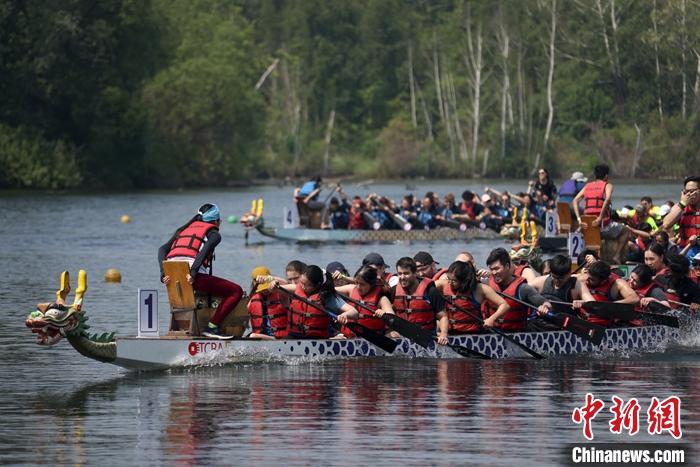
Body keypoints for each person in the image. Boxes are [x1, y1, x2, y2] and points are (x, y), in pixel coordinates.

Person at [158, 203, 243, 339]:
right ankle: (212, 328)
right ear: (216, 221)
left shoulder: (183, 230)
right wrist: (193, 273)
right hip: (192, 276)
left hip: (172, 276)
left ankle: (187, 328)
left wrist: (163, 273)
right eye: (220, 221)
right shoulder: (214, 234)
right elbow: (203, 252)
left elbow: (162, 249)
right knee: (236, 291)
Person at [271, 265, 358, 339]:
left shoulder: (327, 297)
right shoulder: (296, 289)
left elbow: (354, 312)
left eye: (307, 285)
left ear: (317, 285)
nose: (303, 287)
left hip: (316, 340)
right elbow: (275, 289)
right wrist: (273, 285)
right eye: (301, 283)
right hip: (293, 337)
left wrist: (344, 315)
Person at [481, 248, 553, 331]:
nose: (494, 273)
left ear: (507, 266)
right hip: (491, 332)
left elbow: (546, 303)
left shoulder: (523, 288)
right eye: (491, 269)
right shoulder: (486, 285)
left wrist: (545, 307)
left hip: (516, 334)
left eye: (497, 269)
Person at [573, 164, 628, 261]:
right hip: (602, 227)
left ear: (595, 175)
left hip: (587, 227)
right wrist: (600, 217)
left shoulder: (587, 186)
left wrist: (579, 220)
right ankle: (616, 256)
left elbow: (575, 200)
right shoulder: (608, 185)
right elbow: (607, 199)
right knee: (625, 230)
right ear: (606, 176)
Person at [436, 260, 509, 334]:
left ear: (464, 281)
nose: (450, 283)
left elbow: (504, 305)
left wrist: (492, 319)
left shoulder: (480, 289)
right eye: (449, 279)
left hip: (473, 333)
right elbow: (429, 286)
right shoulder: (443, 284)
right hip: (450, 332)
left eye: (454, 281)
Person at [389, 257, 449, 344]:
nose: (402, 277)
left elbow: (443, 316)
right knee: (391, 334)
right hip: (402, 336)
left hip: (426, 336)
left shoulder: (430, 291)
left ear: (415, 273)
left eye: (406, 273)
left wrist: (443, 335)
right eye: (399, 274)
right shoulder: (393, 291)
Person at [334, 265, 395, 337]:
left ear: (371, 284)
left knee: (394, 334)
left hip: (372, 338)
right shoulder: (351, 289)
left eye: (362, 284)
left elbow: (392, 318)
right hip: (348, 337)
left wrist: (384, 314)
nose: (358, 287)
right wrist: (328, 278)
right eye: (357, 283)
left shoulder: (382, 299)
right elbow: (331, 290)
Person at [575, 261, 639, 326]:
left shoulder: (617, 283)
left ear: (603, 281)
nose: (587, 280)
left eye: (592, 279)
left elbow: (635, 299)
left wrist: (609, 305)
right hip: (582, 321)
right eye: (588, 276)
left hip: (605, 324)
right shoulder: (583, 277)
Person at [247, 266, 289, 340]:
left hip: (280, 337)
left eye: (266, 288)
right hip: (261, 336)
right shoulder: (252, 301)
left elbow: (286, 283)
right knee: (252, 336)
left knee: (253, 336)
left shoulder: (281, 295)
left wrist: (269, 278)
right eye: (262, 289)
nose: (265, 291)